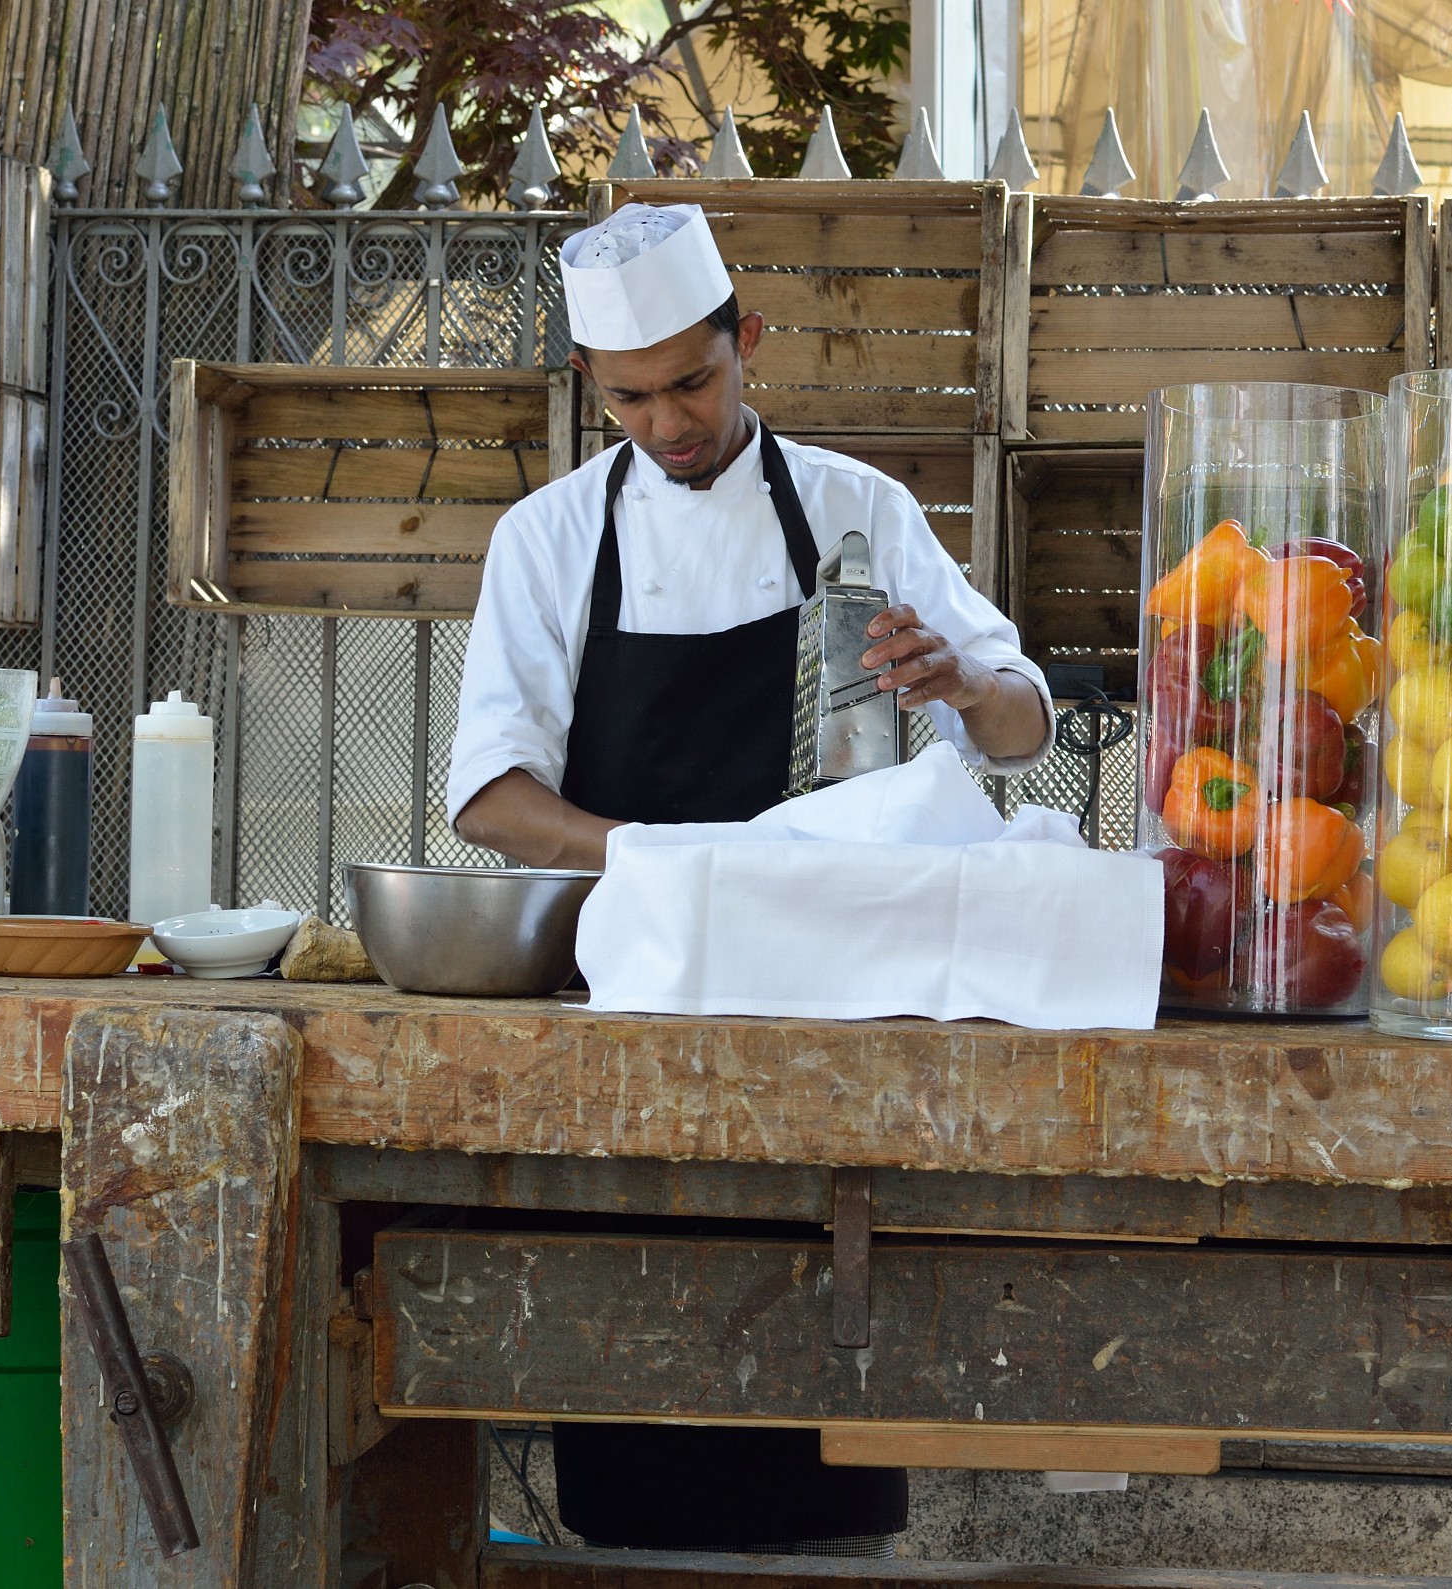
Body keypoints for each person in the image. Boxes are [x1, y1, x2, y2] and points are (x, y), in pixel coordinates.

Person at [446, 202, 1054, 1553]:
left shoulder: (859, 509)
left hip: (830, 1027)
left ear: (749, 341)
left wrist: (957, 679)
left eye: (694, 382)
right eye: (633, 399)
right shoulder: (545, 541)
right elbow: (492, 796)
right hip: (636, 1012)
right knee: (637, 1379)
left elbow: (1024, 721)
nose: (668, 424)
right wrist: (692, 866)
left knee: (821, 1373)